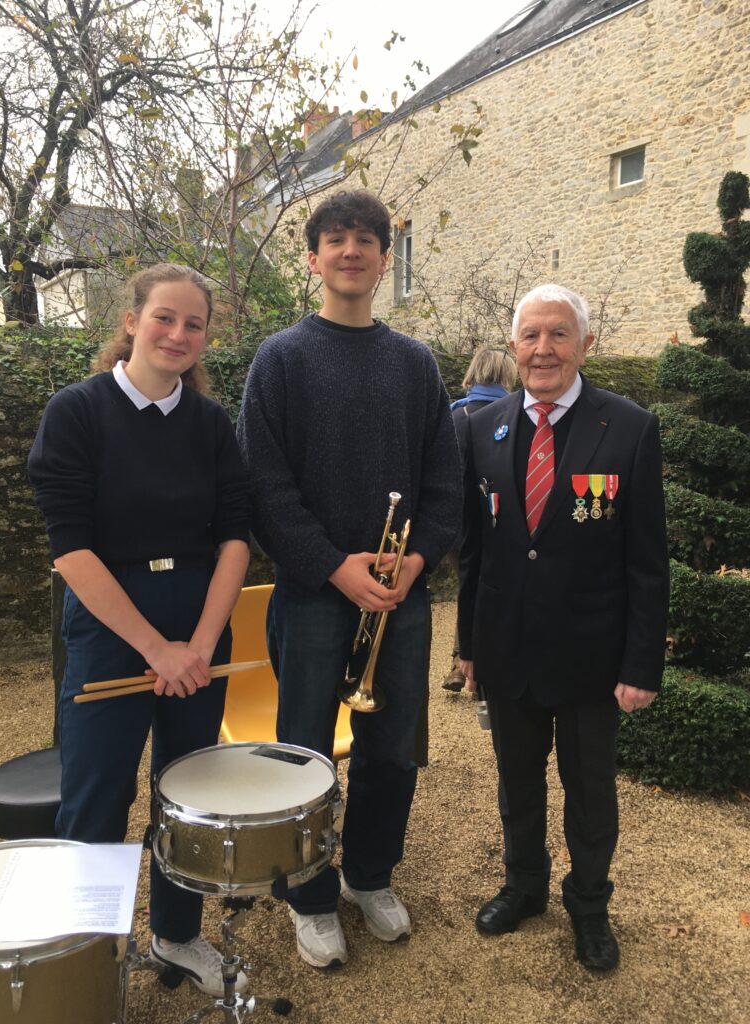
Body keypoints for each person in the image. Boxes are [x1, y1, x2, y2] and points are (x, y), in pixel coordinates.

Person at [237, 190, 460, 969]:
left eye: (368, 239)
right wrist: (336, 566)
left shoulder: (415, 363)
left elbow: (444, 483)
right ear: (313, 258)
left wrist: (414, 562)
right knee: (302, 751)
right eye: (337, 240)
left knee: (393, 748)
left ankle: (369, 874)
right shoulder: (281, 358)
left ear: (384, 255)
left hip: (400, 595)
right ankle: (307, 894)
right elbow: (264, 487)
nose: (353, 251)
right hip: (312, 593)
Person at [28, 263, 251, 997]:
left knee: (185, 792)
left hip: (200, 625)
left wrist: (198, 644)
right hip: (108, 625)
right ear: (131, 320)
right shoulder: (77, 412)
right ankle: (83, 960)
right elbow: (72, 549)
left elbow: (234, 540)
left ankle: (177, 936)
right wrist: (156, 649)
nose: (179, 334)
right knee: (95, 794)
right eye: (165, 318)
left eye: (194, 324)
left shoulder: (212, 424)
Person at [457, 283, 669, 971]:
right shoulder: (481, 430)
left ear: (585, 345)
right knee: (517, 782)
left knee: (590, 792)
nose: (542, 349)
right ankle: (524, 886)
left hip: (591, 657)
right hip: (507, 649)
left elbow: (647, 561)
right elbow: (476, 552)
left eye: (557, 335)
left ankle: (589, 906)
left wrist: (641, 665)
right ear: (513, 345)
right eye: (530, 335)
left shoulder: (630, 427)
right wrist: (467, 647)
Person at [441, 346, 516, 692]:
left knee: (469, 586)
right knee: (495, 592)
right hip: (503, 526)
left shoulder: (452, 417)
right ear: (506, 376)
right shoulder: (514, 416)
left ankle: (463, 664)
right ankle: (473, 666)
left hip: (454, 526)